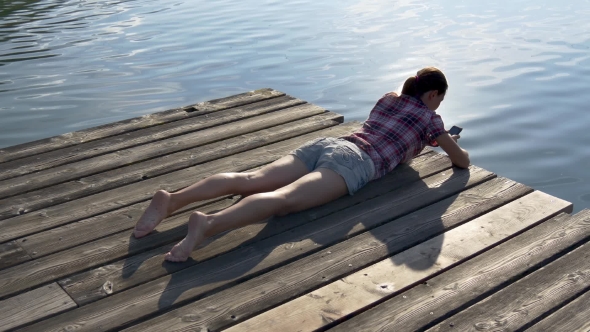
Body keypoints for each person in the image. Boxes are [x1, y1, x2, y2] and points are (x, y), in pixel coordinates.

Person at [133, 67, 470, 262]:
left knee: (251, 178)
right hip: (355, 162)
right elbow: (460, 160)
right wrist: (440, 136)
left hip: (332, 144)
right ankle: (209, 224)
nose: (439, 104)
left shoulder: (388, 98)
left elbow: (394, 130)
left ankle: (172, 200)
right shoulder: (430, 119)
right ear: (432, 96)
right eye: (440, 98)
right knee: (284, 201)